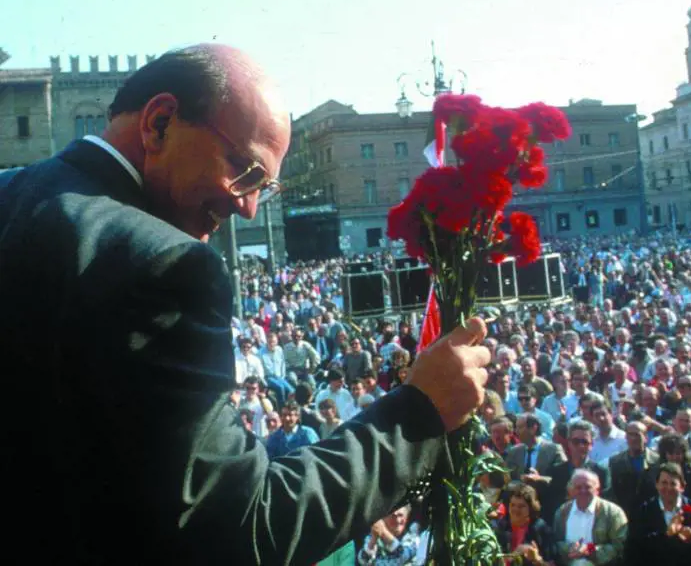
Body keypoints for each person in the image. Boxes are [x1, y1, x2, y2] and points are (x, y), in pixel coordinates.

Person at [0, 45, 491, 565]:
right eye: (245, 170)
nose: (248, 205)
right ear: (160, 122)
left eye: (263, 186)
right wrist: (419, 413)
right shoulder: (160, 262)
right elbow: (241, 529)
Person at [627, 463, 691, 566]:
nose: (668, 488)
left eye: (673, 484)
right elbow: (634, 549)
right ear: (656, 484)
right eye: (664, 483)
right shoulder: (643, 511)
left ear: (682, 487)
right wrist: (666, 535)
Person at [552, 469, 628, 566]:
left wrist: (589, 549)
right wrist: (570, 548)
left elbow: (619, 546)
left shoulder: (613, 513)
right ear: (571, 490)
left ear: (597, 489)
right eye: (578, 487)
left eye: (588, 487)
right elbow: (555, 543)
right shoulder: (562, 512)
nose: (583, 491)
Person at [493, 483, 554, 565]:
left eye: (521, 506)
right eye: (512, 505)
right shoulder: (501, 526)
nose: (515, 509)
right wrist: (514, 555)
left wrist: (537, 559)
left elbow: (551, 563)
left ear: (531, 508)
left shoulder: (540, 528)